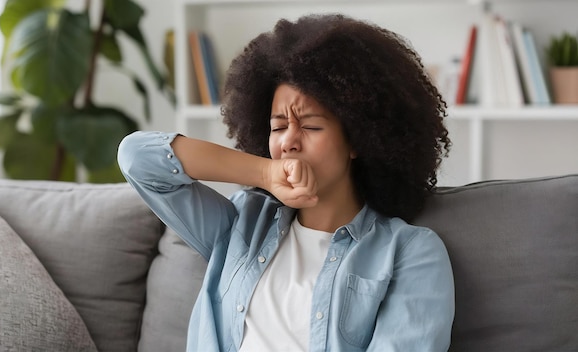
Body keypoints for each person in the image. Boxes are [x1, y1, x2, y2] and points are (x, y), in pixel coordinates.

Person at [118, 13, 454, 352]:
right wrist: (265, 173)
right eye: (278, 127)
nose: (289, 142)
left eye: (310, 126)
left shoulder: (409, 252)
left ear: (357, 140)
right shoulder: (240, 225)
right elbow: (136, 158)